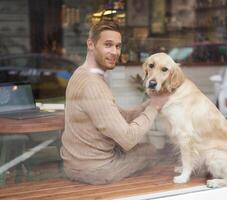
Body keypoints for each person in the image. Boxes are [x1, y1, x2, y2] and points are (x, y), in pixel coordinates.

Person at [60, 20, 169, 185]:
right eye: (108, 45)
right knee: (152, 150)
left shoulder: (81, 74)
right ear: (91, 44)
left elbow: (119, 116)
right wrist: (154, 107)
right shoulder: (93, 85)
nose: (114, 52)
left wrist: (151, 102)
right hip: (96, 170)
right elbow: (128, 139)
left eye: (118, 46)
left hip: (76, 164)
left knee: (144, 149)